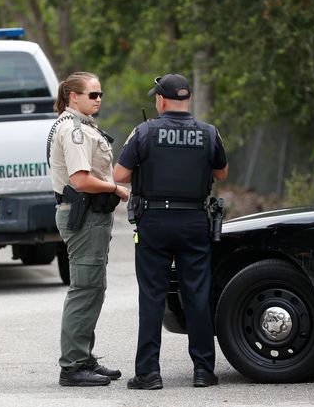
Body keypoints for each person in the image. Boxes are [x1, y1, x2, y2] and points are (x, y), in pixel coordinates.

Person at [113, 73, 229, 390]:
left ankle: (149, 374)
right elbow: (221, 171)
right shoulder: (208, 133)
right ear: (187, 100)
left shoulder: (144, 132)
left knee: (152, 296)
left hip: (154, 221)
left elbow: (120, 174)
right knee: (197, 296)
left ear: (161, 100)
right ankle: (204, 371)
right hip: (194, 221)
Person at [49, 71, 129, 386]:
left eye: (100, 94)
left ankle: (83, 356)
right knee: (84, 289)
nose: (98, 99)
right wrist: (117, 189)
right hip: (84, 215)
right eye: (92, 95)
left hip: (90, 214)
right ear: (73, 97)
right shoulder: (74, 131)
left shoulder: (81, 126)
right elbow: (80, 180)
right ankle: (72, 366)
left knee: (92, 287)